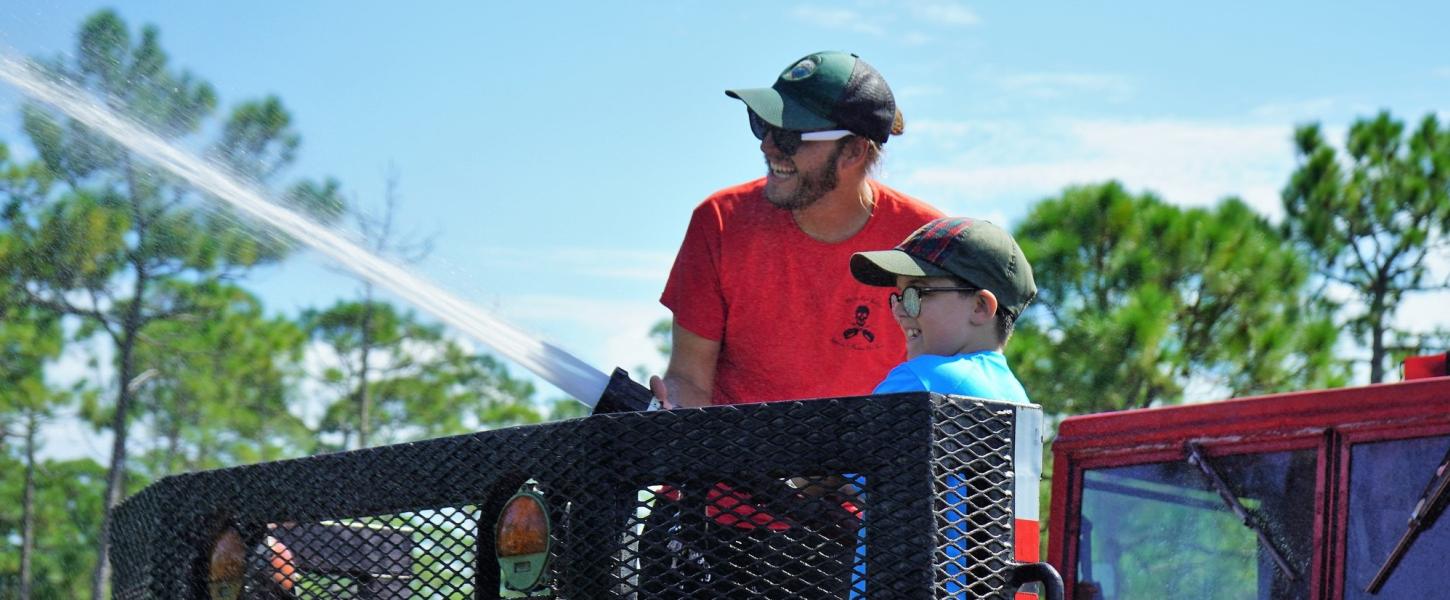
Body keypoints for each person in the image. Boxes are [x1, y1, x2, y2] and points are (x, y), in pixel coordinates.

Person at [651, 50, 943, 408]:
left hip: (871, 464)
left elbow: (946, 387)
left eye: (790, 136)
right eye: (764, 125)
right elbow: (690, 378)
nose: (767, 145)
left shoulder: (929, 243)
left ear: (853, 151)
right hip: (739, 460)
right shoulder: (719, 221)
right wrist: (669, 407)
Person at [849, 216, 1036, 398]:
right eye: (900, 296)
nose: (899, 311)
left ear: (980, 307)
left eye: (917, 293)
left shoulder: (920, 381)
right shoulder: (1015, 392)